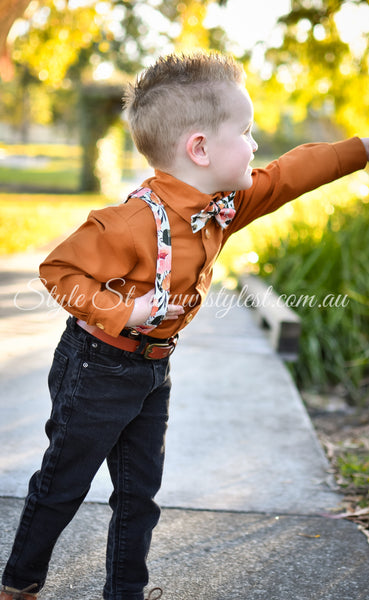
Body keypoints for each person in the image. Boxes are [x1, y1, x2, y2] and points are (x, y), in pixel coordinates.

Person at [1, 52, 368, 600]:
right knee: (63, 484)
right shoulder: (127, 222)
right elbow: (58, 271)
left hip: (153, 370)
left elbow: (290, 174)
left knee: (139, 492)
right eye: (245, 131)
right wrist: (122, 311)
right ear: (199, 148)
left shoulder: (224, 204)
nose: (255, 144)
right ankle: (19, 584)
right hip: (96, 366)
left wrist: (361, 150)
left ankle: (125, 589)